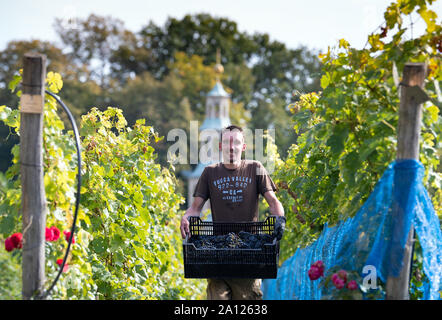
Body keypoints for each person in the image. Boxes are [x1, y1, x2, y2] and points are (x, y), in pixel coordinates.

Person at [180, 125, 285, 300]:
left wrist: (280, 219)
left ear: (243, 146)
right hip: (217, 254)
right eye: (227, 142)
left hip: (249, 255)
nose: (231, 147)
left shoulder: (255, 168)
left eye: (236, 142)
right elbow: (195, 208)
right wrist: (186, 217)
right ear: (220, 146)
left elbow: (273, 202)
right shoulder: (210, 172)